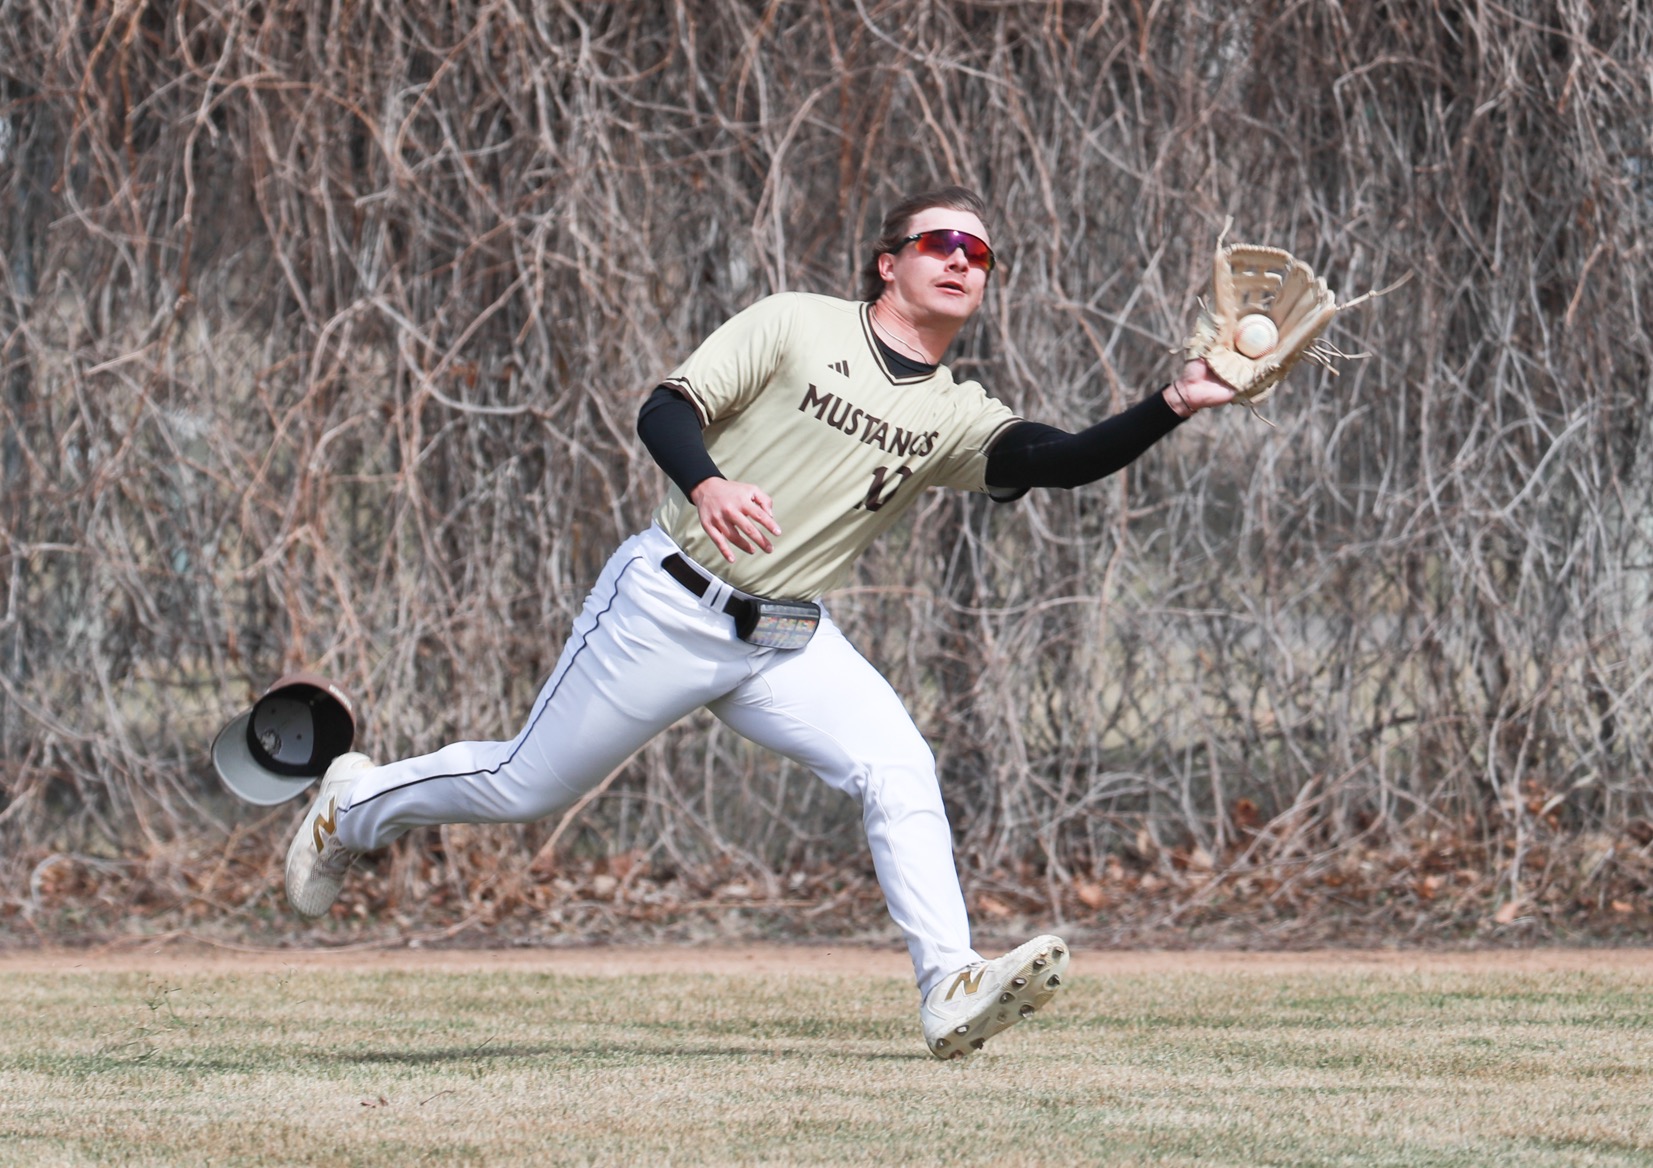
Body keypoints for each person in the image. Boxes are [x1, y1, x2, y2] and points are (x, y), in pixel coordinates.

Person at [285, 186, 1235, 1059]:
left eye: (980, 254)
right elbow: (666, 407)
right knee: (522, 787)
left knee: (897, 765)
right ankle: (354, 806)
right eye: (941, 242)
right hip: (669, 600)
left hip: (787, 637)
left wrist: (1172, 403)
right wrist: (705, 481)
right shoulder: (796, 324)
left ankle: (949, 984)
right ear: (888, 261)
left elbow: (1060, 458)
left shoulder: (952, 411)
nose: (961, 261)